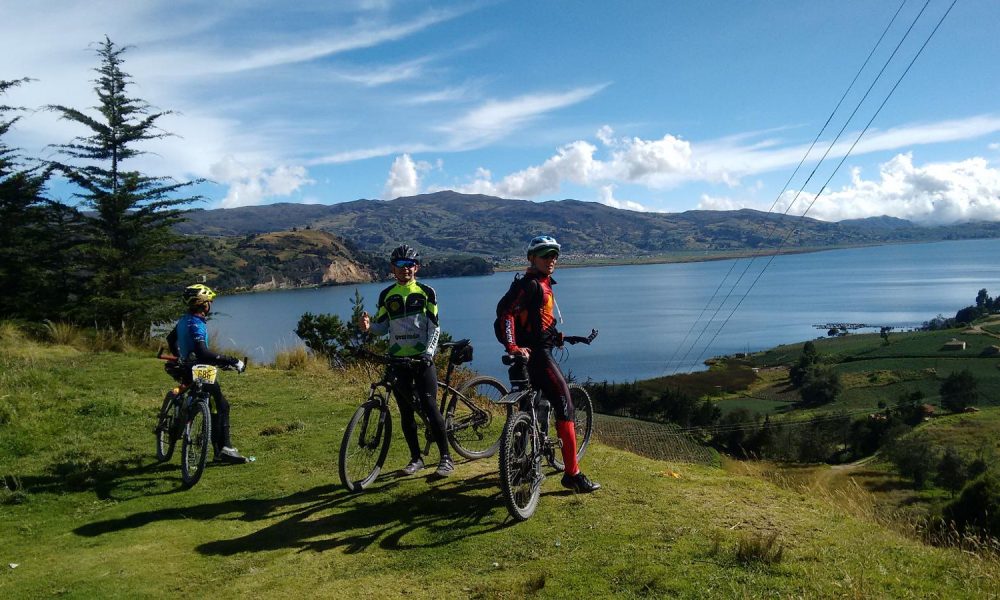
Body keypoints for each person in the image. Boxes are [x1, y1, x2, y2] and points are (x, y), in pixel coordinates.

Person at [497, 235, 601, 492]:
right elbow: (507, 314)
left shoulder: (538, 283)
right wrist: (513, 346)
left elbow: (536, 323)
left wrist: (565, 337)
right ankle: (572, 475)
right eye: (545, 255)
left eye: (554, 255)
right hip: (538, 356)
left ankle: (521, 465)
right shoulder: (532, 285)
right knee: (565, 404)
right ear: (532, 258)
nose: (551, 259)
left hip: (526, 355)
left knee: (530, 408)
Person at [358, 244, 454, 477]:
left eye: (410, 264)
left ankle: (446, 458)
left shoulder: (426, 292)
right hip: (398, 361)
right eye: (400, 265)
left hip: (421, 360)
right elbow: (382, 327)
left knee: (430, 407)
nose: (405, 269)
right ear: (393, 268)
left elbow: (435, 327)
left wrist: (428, 353)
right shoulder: (386, 295)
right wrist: (369, 328)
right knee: (406, 412)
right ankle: (416, 458)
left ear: (417, 267)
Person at [167, 283, 249, 464]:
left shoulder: (184, 320)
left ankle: (218, 447)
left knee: (210, 402)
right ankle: (224, 448)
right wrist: (232, 361)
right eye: (209, 301)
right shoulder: (197, 324)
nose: (211, 304)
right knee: (222, 404)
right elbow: (203, 353)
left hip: (186, 367)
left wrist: (179, 356)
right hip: (199, 370)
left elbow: (170, 339)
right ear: (204, 304)